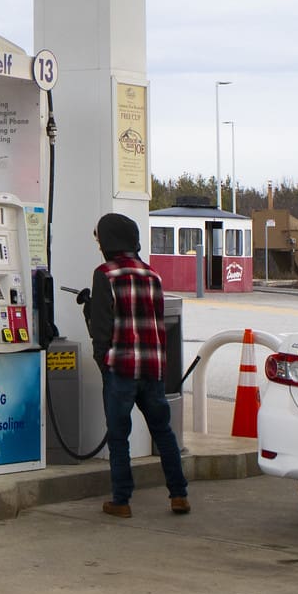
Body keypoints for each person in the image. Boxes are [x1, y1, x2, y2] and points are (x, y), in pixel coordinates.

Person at [83, 212, 189, 518]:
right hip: (153, 369)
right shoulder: (152, 275)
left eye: (99, 237)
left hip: (122, 369)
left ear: (109, 240)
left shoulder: (105, 274)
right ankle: (179, 494)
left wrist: (103, 361)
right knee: (163, 432)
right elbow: (154, 322)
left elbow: (103, 329)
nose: (98, 243)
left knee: (118, 436)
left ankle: (122, 499)